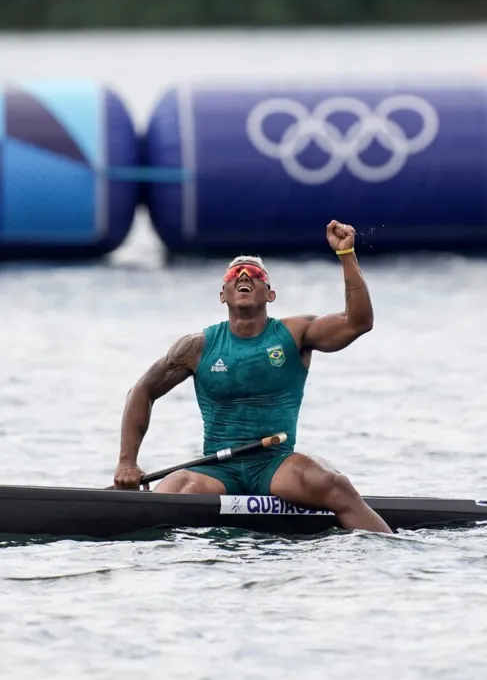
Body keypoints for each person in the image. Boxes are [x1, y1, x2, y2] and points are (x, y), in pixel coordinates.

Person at [113, 220, 391, 534]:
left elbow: (358, 322)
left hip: (274, 465)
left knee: (333, 483)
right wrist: (127, 462)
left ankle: (391, 553)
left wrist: (347, 254)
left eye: (255, 274)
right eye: (235, 273)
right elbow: (142, 390)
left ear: (270, 294)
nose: (244, 275)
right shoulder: (196, 347)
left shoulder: (295, 334)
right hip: (217, 470)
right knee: (176, 489)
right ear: (223, 295)